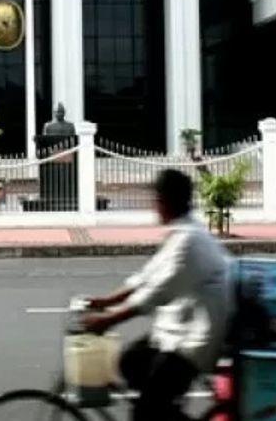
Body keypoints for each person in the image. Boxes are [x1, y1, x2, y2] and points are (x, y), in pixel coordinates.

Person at [81, 169, 232, 421]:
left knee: (146, 411)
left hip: (195, 340)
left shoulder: (189, 240)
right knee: (130, 362)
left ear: (166, 202)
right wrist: (106, 301)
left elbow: (157, 292)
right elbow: (147, 276)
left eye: (157, 200)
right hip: (177, 328)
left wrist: (109, 319)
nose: (154, 207)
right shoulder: (181, 231)